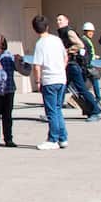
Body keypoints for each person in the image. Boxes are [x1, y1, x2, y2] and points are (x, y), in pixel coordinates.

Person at [29, 14, 69, 150]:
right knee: (58, 109)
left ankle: (53, 139)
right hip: (61, 79)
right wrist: (61, 70)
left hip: (49, 80)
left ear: (34, 29)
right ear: (47, 26)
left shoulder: (40, 44)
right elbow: (66, 57)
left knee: (51, 111)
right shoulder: (57, 40)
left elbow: (37, 65)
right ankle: (63, 138)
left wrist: (38, 81)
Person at [56, 14, 101, 121]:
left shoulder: (69, 32)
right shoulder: (62, 32)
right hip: (69, 65)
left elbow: (80, 45)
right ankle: (54, 113)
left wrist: (67, 51)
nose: (58, 22)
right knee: (62, 88)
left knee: (82, 90)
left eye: (60, 20)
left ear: (67, 21)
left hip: (73, 65)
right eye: (57, 20)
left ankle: (96, 111)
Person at [81, 22, 101, 106]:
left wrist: (94, 56)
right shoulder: (83, 41)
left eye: (92, 31)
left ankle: (96, 97)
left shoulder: (87, 40)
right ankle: (97, 98)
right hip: (87, 65)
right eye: (89, 31)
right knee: (93, 80)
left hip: (89, 64)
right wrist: (86, 63)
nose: (91, 33)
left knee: (91, 80)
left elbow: (89, 52)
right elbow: (83, 53)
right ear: (85, 31)